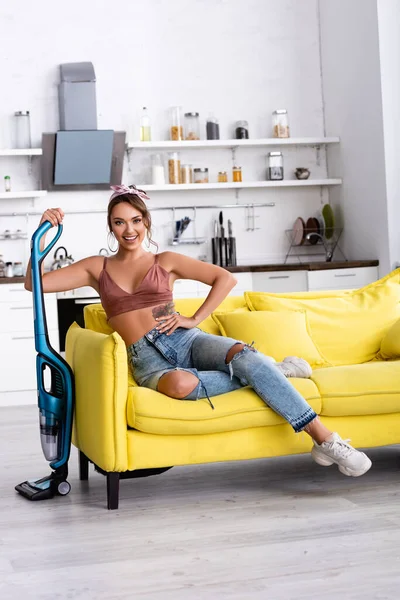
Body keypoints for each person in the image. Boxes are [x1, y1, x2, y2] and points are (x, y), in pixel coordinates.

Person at [25, 184, 372, 478]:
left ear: (146, 222)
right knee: (181, 384)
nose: (129, 230)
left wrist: (193, 319)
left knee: (241, 356)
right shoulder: (95, 268)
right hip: (149, 361)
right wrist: (40, 235)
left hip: (187, 339)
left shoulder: (166, 261)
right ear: (110, 227)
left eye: (135, 221)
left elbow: (225, 278)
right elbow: (32, 283)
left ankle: (325, 439)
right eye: (119, 223)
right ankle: (273, 370)